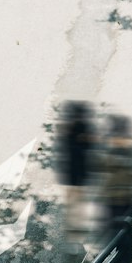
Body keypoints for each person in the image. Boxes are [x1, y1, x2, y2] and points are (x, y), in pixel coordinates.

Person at [54, 100, 95, 244]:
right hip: (77, 176)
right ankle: (75, 234)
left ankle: (75, 233)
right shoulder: (83, 131)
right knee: (76, 206)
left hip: (76, 176)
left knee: (76, 206)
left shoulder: (71, 131)